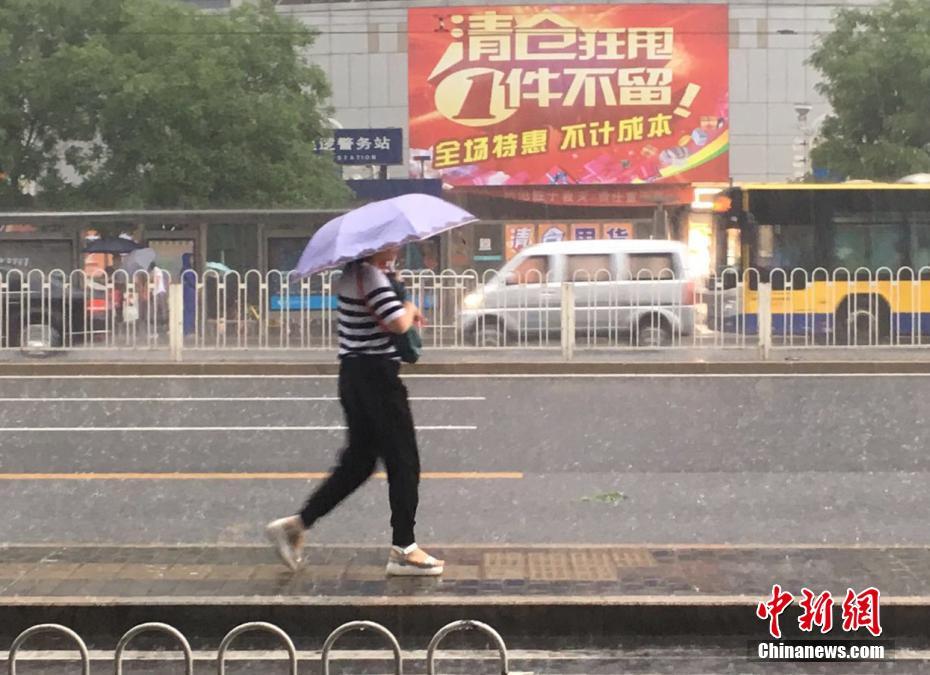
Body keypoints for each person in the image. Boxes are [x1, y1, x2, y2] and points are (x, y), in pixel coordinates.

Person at [265, 246, 443, 576]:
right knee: (404, 462)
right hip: (378, 379)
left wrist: (395, 287)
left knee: (359, 463)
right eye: (392, 242)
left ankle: (297, 525)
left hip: (353, 376)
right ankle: (404, 549)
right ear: (376, 244)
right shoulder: (372, 277)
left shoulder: (352, 275)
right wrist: (409, 305)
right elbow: (398, 324)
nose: (397, 246)